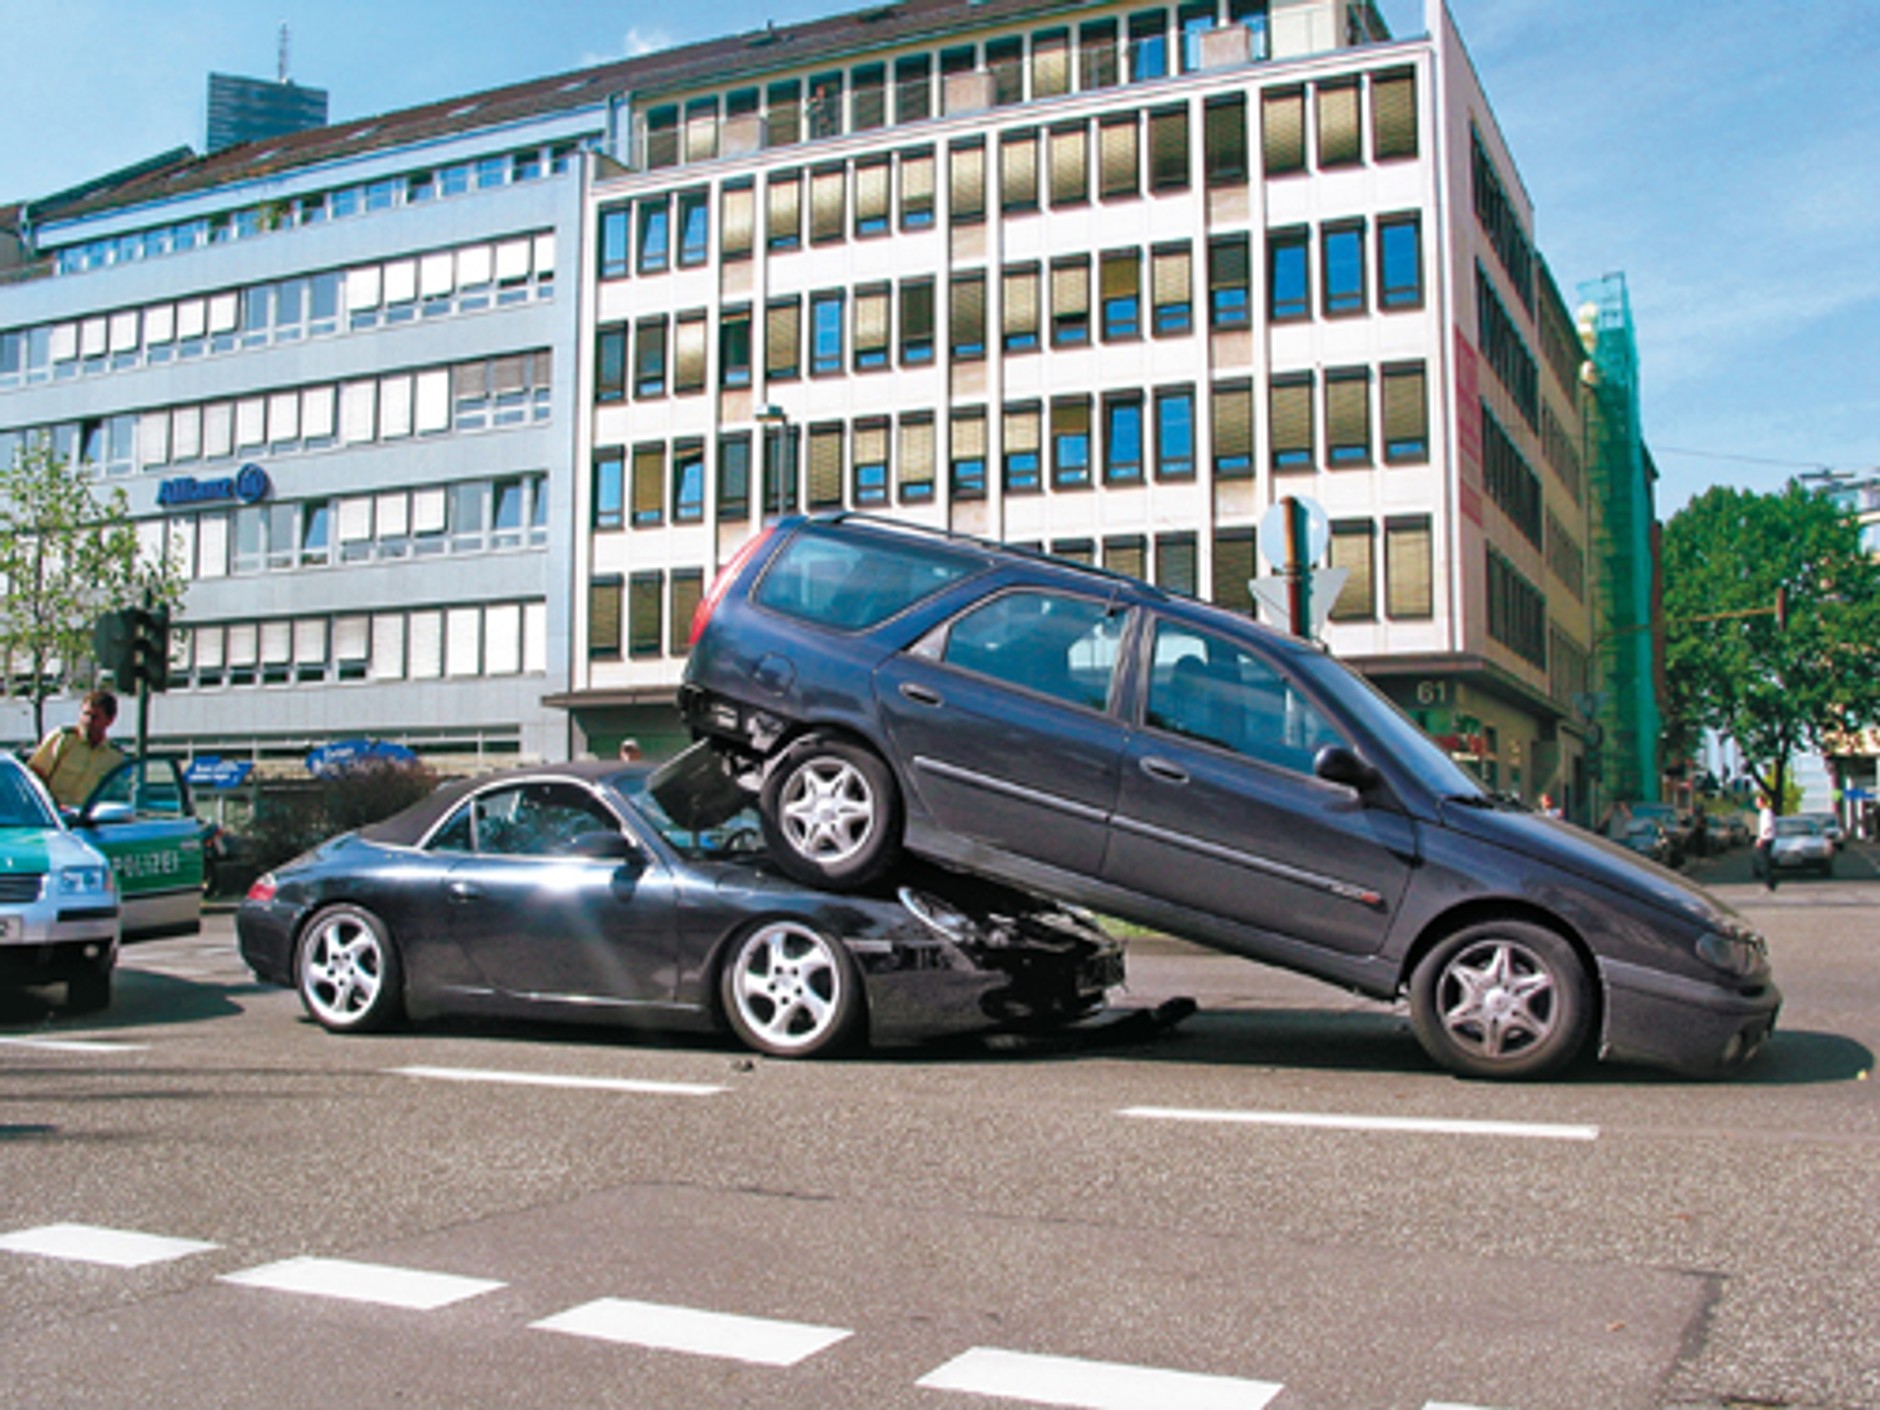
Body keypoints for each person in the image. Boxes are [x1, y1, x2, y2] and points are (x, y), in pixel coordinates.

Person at [28, 689, 125, 809]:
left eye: (95, 717)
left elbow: (117, 795)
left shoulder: (114, 756)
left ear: (109, 720)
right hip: (52, 813)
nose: (88, 721)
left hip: (86, 818)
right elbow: (34, 775)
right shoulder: (63, 739)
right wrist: (52, 803)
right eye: (85, 714)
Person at [1754, 793, 1777, 891]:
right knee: (1763, 861)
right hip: (1766, 838)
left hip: (1766, 839)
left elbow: (1767, 827)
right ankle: (1769, 882)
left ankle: (1769, 883)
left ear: (1762, 802)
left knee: (1764, 862)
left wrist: (1761, 838)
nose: (1756, 803)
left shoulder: (1766, 812)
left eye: (1757, 801)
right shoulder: (1764, 812)